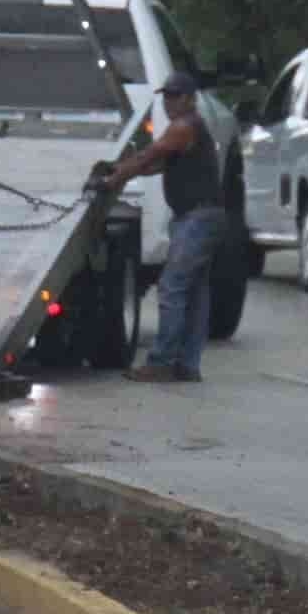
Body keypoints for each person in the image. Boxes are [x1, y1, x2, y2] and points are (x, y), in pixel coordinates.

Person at [94, 73, 225, 385]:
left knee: (172, 287)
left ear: (190, 99)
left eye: (175, 96)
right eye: (166, 96)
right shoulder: (188, 129)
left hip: (198, 218)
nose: (168, 102)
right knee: (194, 293)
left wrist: (113, 178)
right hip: (202, 217)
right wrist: (121, 171)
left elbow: (146, 157)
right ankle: (187, 365)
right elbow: (157, 165)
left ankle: (161, 363)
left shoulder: (184, 127)